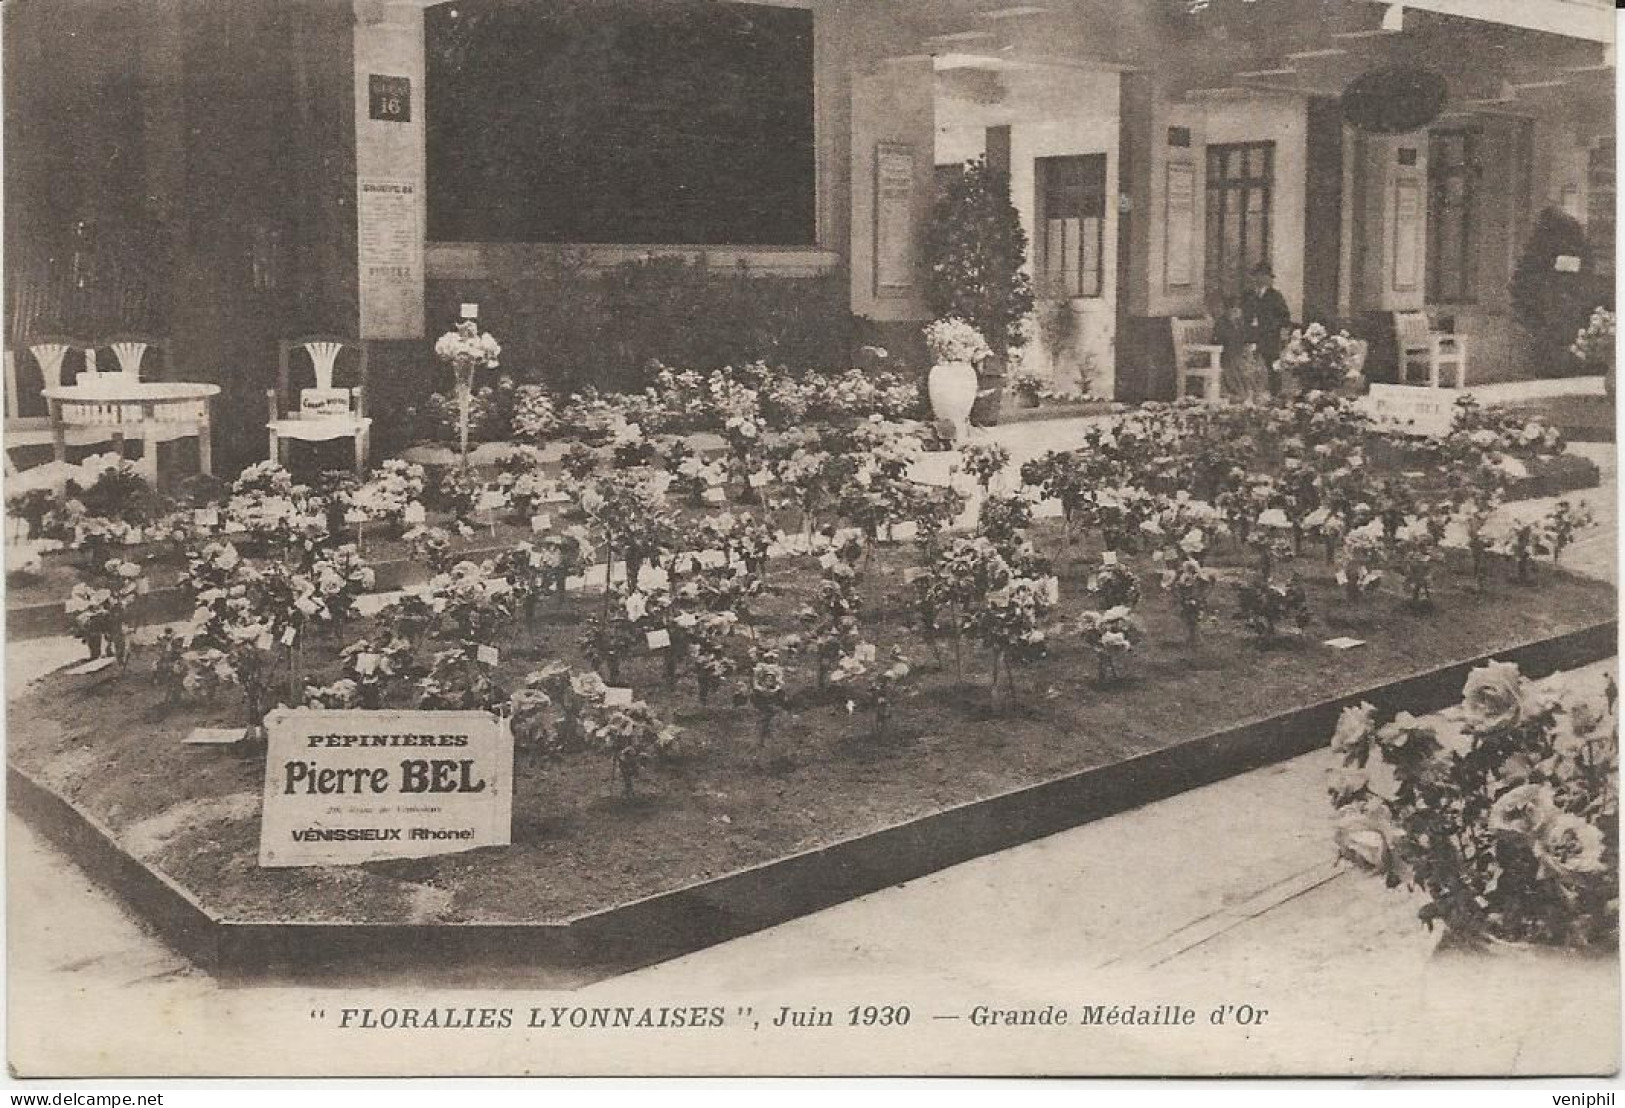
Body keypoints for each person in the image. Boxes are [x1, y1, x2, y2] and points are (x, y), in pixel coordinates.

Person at [1241, 262, 1293, 395]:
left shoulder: (1275, 296)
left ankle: (1275, 393)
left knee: (1273, 366)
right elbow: (1242, 313)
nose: (1262, 279)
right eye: (1258, 276)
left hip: (1269, 337)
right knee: (1249, 366)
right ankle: (1250, 394)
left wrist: (1274, 327)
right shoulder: (1248, 295)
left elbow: (1285, 317)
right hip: (1251, 335)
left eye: (1265, 277)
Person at [1216, 296, 1265, 400]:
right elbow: (1221, 339)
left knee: (1259, 364)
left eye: (1238, 309)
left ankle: (1254, 392)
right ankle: (1241, 392)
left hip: (1238, 353)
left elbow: (1247, 337)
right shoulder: (1221, 322)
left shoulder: (1240, 323)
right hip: (1225, 355)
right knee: (1240, 365)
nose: (1235, 312)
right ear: (1227, 310)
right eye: (1232, 309)